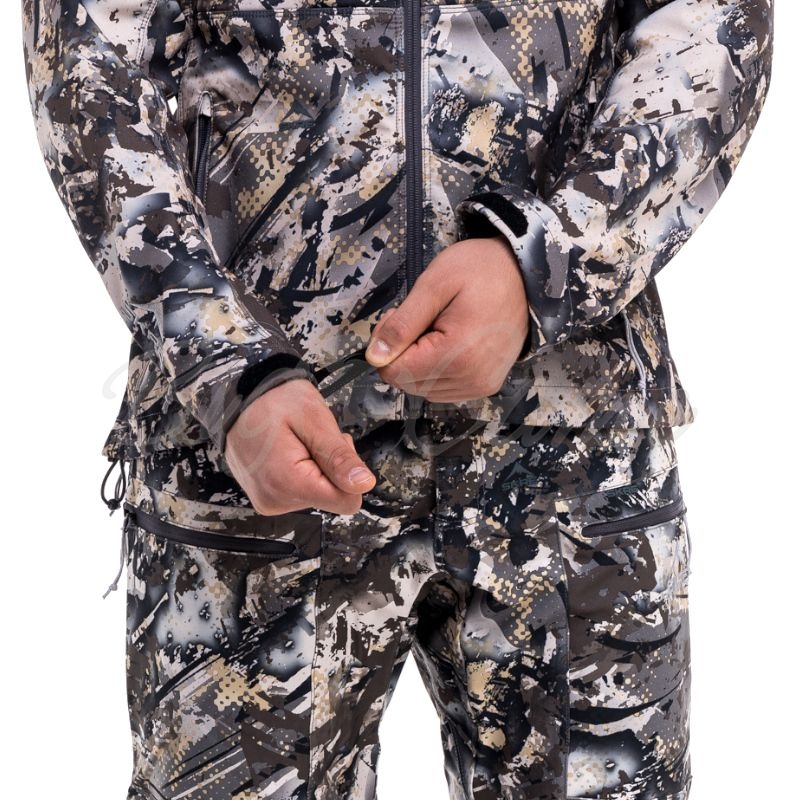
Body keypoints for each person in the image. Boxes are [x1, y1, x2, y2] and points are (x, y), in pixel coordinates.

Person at [22, 1, 772, 797]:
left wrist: (544, 260)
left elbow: (712, 25)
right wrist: (224, 361)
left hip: (569, 443)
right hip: (254, 453)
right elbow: (89, 61)